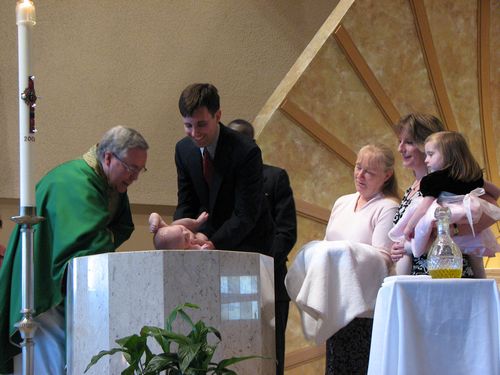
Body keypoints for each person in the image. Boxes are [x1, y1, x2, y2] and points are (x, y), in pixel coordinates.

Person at [0, 126, 148, 374]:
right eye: (131, 168)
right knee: (53, 361)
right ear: (109, 157)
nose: (134, 177)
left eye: (140, 170)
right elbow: (88, 245)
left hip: (59, 289)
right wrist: (107, 236)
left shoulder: (106, 181)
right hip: (44, 294)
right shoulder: (75, 183)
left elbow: (118, 229)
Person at [285, 144, 399, 375]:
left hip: (364, 307)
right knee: (336, 366)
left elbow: (383, 259)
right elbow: (327, 247)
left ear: (386, 176)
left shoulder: (388, 207)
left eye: (369, 172)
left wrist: (345, 252)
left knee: (359, 366)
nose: (360, 175)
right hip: (336, 301)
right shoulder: (342, 202)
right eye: (358, 167)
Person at [227, 119, 297, 375]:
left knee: (270, 357)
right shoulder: (221, 183)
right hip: (230, 285)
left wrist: (260, 266)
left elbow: (286, 233)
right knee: (232, 354)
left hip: (270, 281)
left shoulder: (275, 177)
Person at [390, 113, 499, 277]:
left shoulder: (454, 181)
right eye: (400, 142)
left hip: (450, 276)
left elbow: (492, 210)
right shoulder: (411, 189)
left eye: (409, 142)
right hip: (416, 281)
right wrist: (398, 248)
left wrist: (450, 230)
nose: (400, 148)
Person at [173, 83, 274, 254]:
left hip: (248, 243)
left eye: (201, 124)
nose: (195, 133)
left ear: (218, 116)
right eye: (188, 125)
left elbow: (246, 214)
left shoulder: (245, 151)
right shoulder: (183, 150)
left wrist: (213, 242)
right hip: (207, 239)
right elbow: (186, 201)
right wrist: (185, 231)